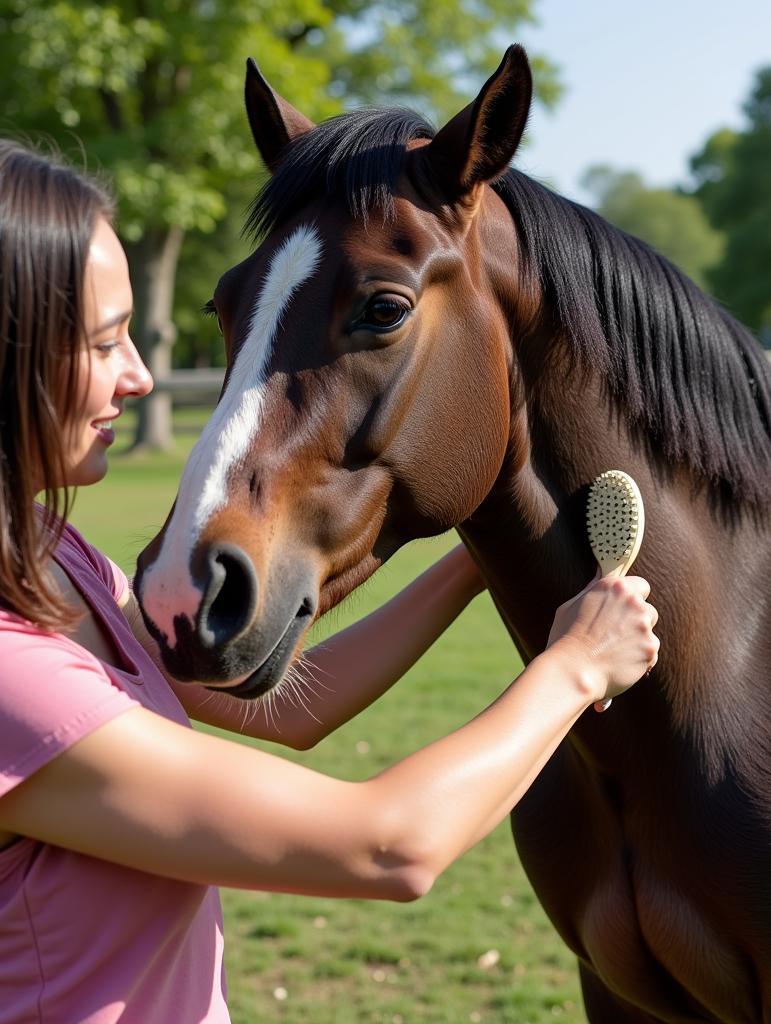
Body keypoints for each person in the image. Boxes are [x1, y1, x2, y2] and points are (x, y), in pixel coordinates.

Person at [0, 139, 660, 1023]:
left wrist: (484, 556)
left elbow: (294, 709)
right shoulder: (14, 676)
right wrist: (576, 669)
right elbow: (389, 849)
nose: (141, 377)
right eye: (104, 341)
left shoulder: (54, 557)